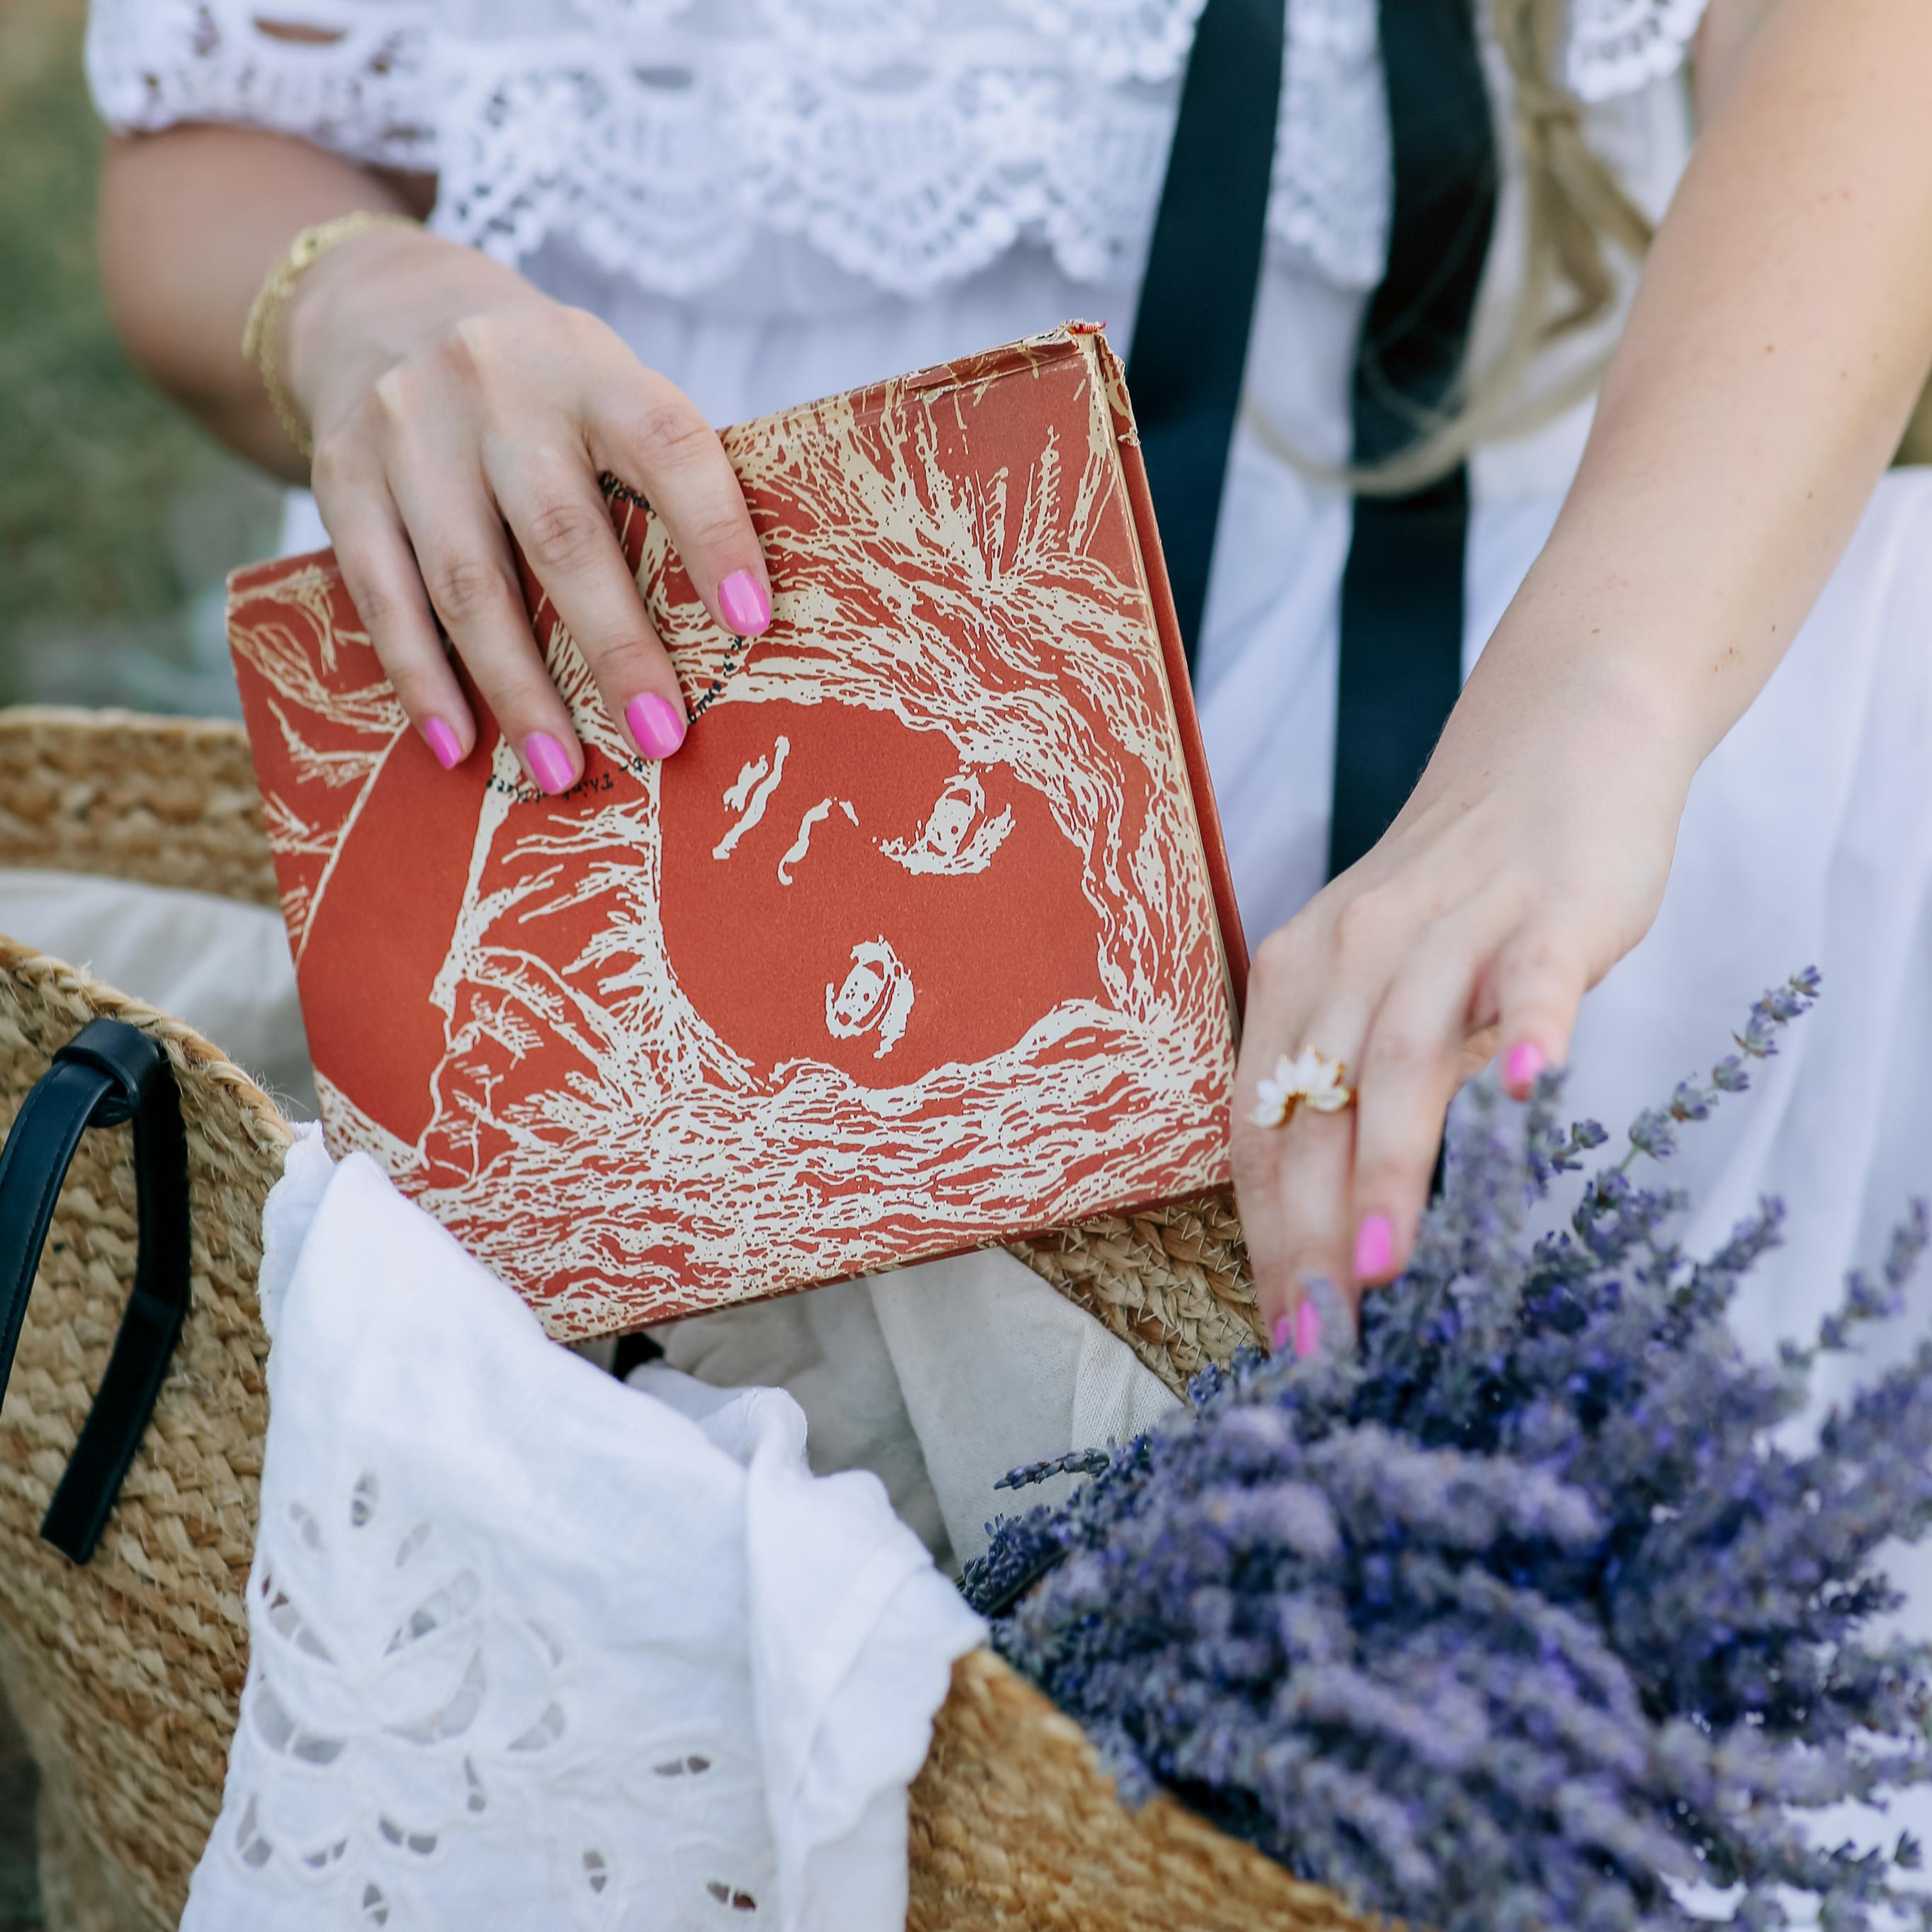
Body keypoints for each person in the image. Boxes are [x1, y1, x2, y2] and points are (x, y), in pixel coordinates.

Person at [85, 0, 1932, 1402]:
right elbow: (211, 142)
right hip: (647, 725)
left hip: (1544, 598)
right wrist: (359, 307)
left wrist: (1592, 710)